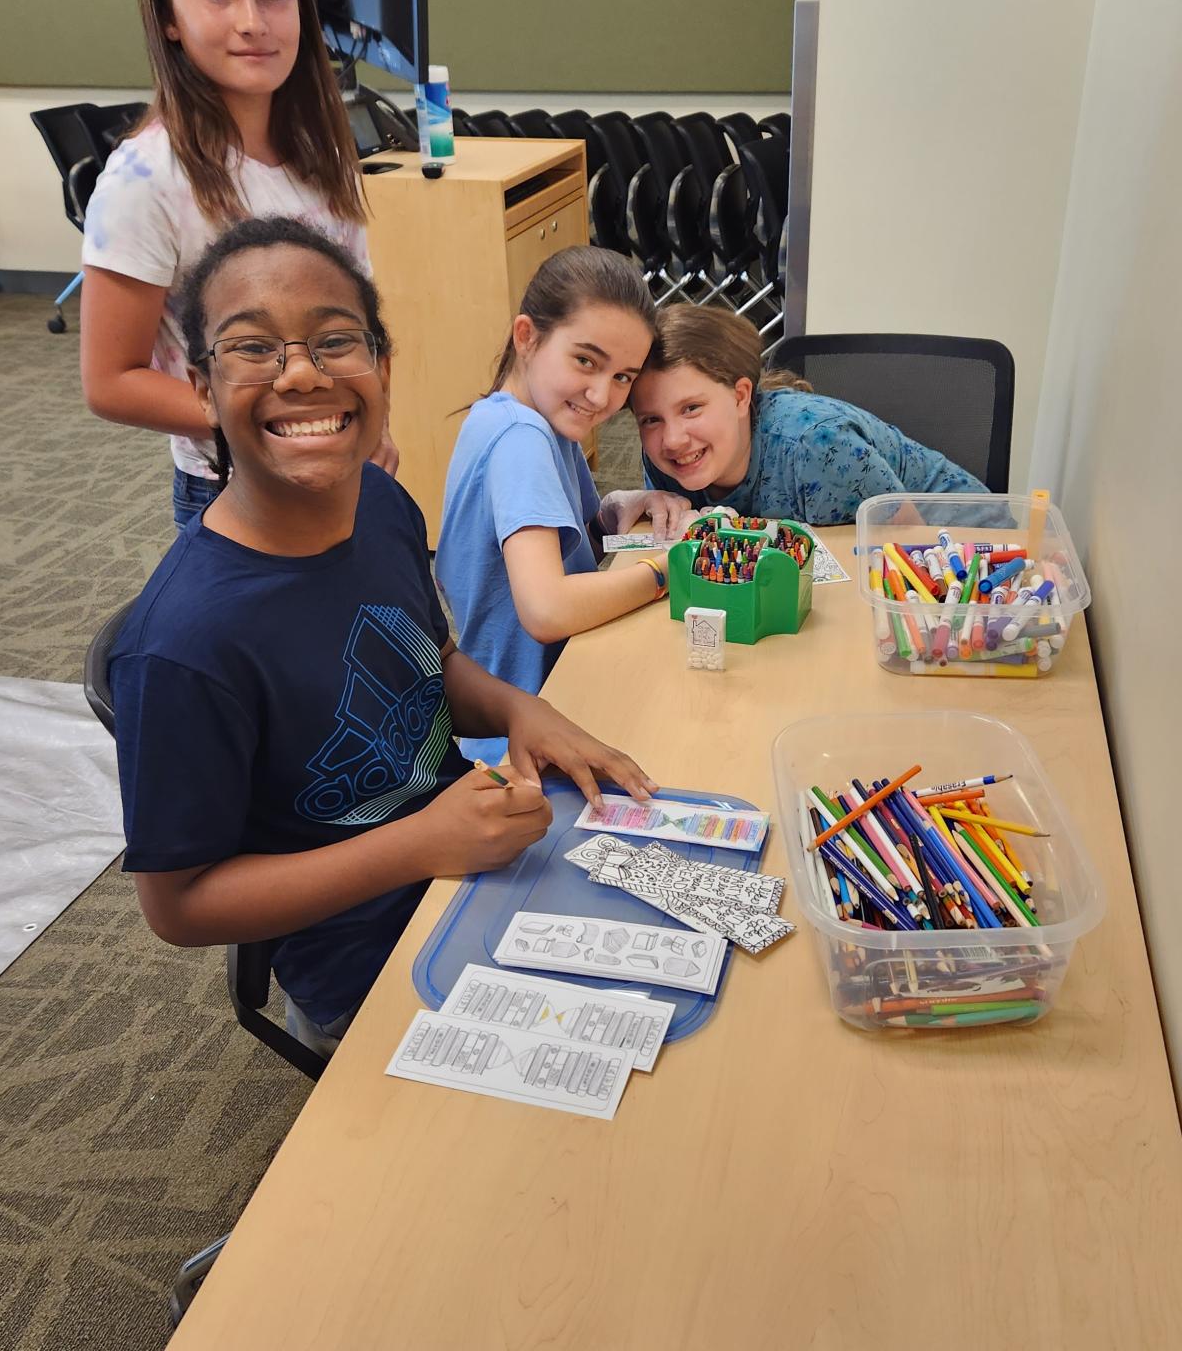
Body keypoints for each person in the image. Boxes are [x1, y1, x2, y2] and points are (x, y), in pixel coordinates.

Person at [109, 215, 656, 1057]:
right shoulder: (184, 645)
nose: (302, 373)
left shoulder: (381, 504)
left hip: (470, 857)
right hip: (362, 949)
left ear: (383, 368)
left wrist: (520, 711)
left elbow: (431, 660)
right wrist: (419, 846)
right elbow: (178, 907)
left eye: (336, 341)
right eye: (253, 348)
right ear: (203, 387)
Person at [79, 0, 396, 533]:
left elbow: (357, 322)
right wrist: (270, 412)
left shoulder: (321, 151)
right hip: (235, 489)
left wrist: (371, 420)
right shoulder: (146, 178)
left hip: (337, 463)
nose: (252, 22)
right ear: (169, 16)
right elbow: (110, 381)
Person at [436, 247, 692, 764]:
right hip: (532, 740)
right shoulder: (522, 438)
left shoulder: (530, 418)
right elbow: (547, 608)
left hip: (547, 705)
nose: (601, 396)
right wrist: (669, 568)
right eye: (586, 361)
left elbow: (564, 549)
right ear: (526, 337)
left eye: (623, 377)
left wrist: (622, 509)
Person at [631, 305, 987, 526]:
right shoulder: (666, 454)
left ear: (740, 397)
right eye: (650, 419)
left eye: (691, 408)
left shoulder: (816, 445)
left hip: (973, 557)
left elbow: (907, 545)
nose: (673, 439)